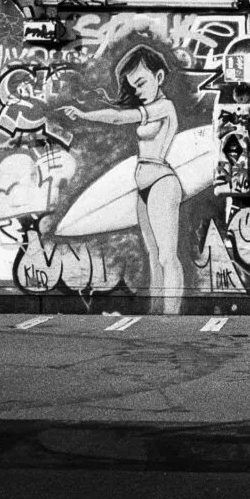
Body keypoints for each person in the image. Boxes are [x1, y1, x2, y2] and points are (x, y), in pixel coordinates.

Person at [60, 45, 183, 313]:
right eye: (133, 86)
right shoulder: (150, 107)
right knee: (153, 255)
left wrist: (83, 114)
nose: (137, 90)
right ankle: (157, 310)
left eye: (141, 82)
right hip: (144, 186)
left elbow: (118, 119)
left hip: (162, 182)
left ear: (159, 77)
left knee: (166, 255)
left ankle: (172, 313)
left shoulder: (165, 107)